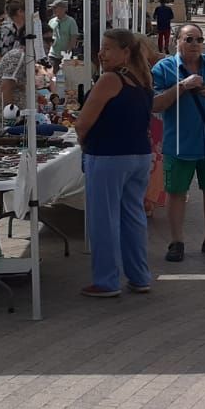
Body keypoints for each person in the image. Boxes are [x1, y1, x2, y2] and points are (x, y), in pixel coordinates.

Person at [74, 27, 155, 298]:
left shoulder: (110, 80)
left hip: (109, 155)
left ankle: (107, 279)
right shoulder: (142, 79)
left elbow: (83, 122)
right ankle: (139, 275)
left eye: (108, 48)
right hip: (139, 155)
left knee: (104, 219)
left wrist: (84, 143)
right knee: (133, 217)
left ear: (125, 52)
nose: (102, 53)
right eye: (102, 47)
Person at [151, 23, 205, 262]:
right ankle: (177, 242)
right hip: (179, 144)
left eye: (199, 39)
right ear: (176, 41)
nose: (195, 44)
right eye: (189, 39)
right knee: (176, 193)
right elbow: (155, 105)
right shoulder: (164, 68)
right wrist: (182, 86)